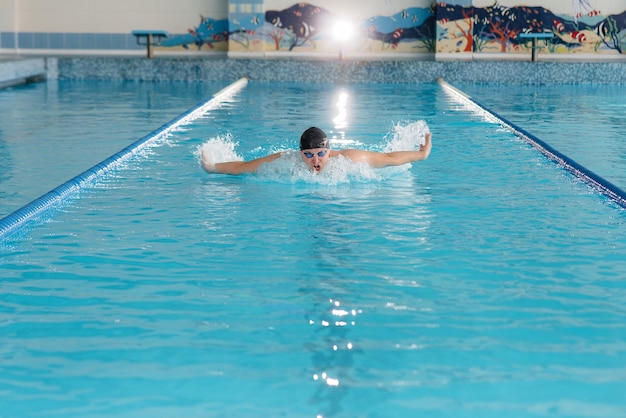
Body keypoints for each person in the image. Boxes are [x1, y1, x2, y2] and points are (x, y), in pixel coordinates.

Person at [201, 126, 432, 175]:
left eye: (321, 154)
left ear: (329, 152)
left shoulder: (350, 159)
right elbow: (244, 167)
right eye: (309, 155)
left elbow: (390, 159)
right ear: (300, 154)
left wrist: (421, 154)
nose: (315, 161)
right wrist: (212, 167)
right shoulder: (285, 160)